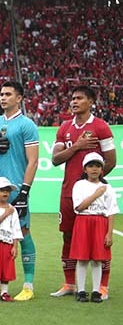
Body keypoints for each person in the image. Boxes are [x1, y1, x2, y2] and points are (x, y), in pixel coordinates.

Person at [51, 86, 116, 299]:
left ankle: (102, 286)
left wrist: (92, 182)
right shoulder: (65, 128)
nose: (74, 101)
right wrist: (77, 146)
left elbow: (112, 160)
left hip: (94, 195)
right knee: (68, 237)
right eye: (72, 98)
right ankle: (70, 283)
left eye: (79, 98)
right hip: (69, 191)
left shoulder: (101, 127)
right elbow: (55, 159)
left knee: (100, 240)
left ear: (91, 102)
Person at [0, 81, 39, 301]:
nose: (2, 98)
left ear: (19, 98)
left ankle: (28, 285)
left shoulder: (26, 125)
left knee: (22, 234)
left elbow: (33, 161)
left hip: (16, 187)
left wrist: (24, 192)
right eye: (1, 94)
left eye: (8, 94)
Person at [70, 152, 119, 303]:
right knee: (82, 258)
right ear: (85, 169)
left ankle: (96, 291)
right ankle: (82, 290)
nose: (94, 169)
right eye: (91, 166)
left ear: (102, 169)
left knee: (97, 259)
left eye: (98, 166)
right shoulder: (79, 185)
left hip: (100, 223)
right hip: (83, 221)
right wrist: (96, 194)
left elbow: (111, 211)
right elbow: (79, 207)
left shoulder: (107, 187)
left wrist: (109, 233)